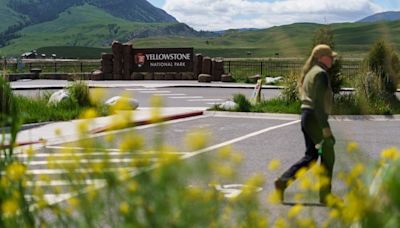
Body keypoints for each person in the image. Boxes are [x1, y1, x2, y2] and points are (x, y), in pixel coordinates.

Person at [274, 44, 337, 204]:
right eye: (330, 57)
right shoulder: (320, 74)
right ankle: (325, 196)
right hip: (315, 118)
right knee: (328, 154)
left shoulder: (311, 72)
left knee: (312, 156)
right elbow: (318, 103)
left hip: (307, 116)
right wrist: (325, 128)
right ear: (322, 57)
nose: (332, 60)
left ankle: (282, 182)